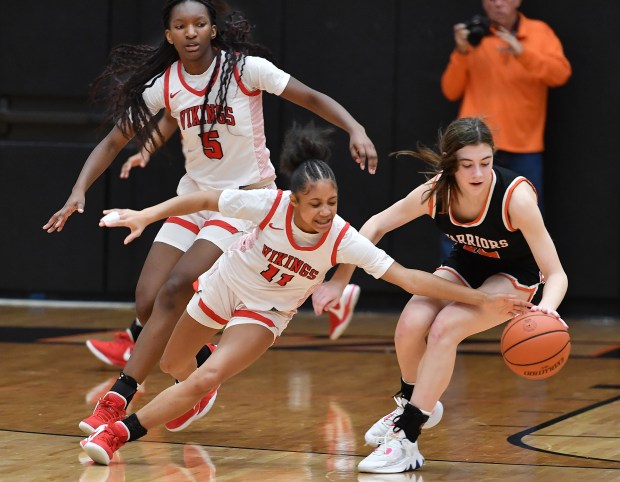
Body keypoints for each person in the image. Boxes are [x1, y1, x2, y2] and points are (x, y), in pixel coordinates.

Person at [79, 121, 529, 466]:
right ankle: (195, 375)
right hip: (226, 284)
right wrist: (146, 215)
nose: (325, 212)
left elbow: (410, 279)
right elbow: (202, 200)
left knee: (204, 378)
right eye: (315, 204)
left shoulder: (341, 238)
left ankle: (117, 433)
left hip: (267, 312)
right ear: (294, 202)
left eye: (332, 203)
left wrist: (480, 300)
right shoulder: (269, 204)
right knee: (174, 365)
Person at [42, 0, 373, 435]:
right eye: (181, 26)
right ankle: (195, 375)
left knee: (178, 285)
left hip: (246, 200)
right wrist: (77, 190)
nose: (191, 32)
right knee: (147, 299)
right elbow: (111, 141)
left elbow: (310, 96)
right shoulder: (165, 85)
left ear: (213, 29)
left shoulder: (245, 70)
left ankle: (116, 400)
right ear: (169, 35)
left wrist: (356, 128)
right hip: (196, 197)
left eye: (200, 23)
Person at [312, 117, 568, 473]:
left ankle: (407, 439)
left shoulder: (516, 198)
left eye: (485, 162)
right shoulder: (437, 193)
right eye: (466, 165)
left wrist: (547, 311)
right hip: (467, 263)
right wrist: (341, 279)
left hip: (513, 275)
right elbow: (375, 224)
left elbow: (555, 273)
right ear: (450, 161)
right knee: (410, 323)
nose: (477, 174)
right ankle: (412, 404)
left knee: (445, 327)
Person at [441, 0, 571, 214]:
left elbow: (560, 74)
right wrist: (461, 52)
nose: (498, 3)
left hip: (524, 145)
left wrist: (523, 53)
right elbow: (450, 90)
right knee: (461, 212)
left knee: (527, 215)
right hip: (475, 143)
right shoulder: (475, 34)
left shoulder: (538, 32)